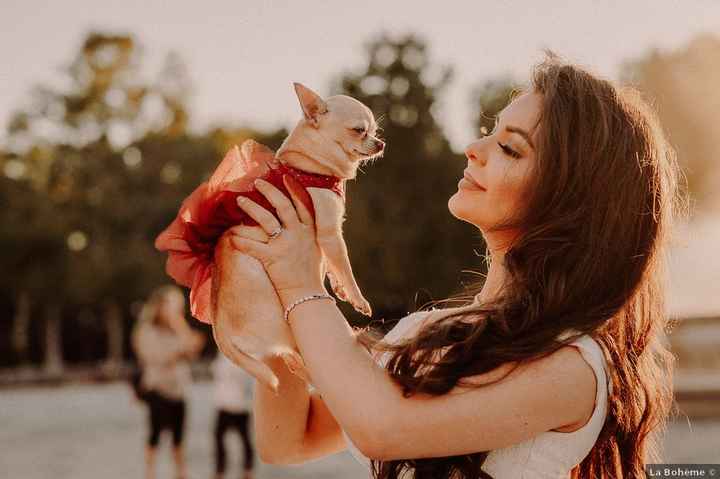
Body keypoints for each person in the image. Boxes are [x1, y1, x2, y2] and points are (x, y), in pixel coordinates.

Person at [222, 54, 681, 479]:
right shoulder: (422, 331)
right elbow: (286, 440)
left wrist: (301, 280)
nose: (472, 147)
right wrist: (271, 279)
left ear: (570, 199)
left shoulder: (573, 364)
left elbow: (384, 428)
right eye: (490, 131)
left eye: (510, 148)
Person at [132, 285, 206, 479]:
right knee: (154, 434)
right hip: (157, 388)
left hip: (179, 389)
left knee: (179, 438)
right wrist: (179, 352)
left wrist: (179, 324)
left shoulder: (177, 329)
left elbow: (193, 347)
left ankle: (180, 474)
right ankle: (150, 474)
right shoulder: (146, 330)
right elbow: (154, 356)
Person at [211, 352, 256, 479]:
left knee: (245, 440)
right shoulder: (222, 354)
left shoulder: (245, 355)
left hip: (240, 406)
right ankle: (220, 470)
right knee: (220, 439)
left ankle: (247, 471)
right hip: (224, 405)